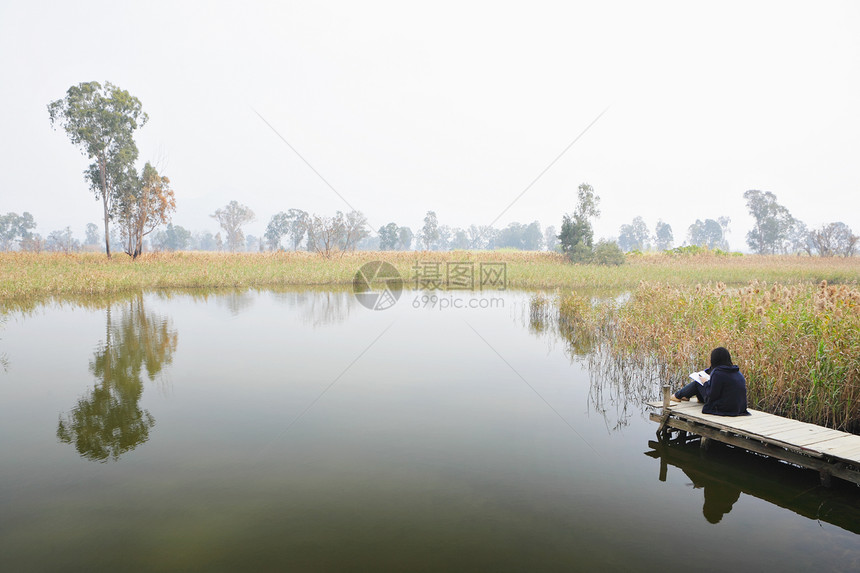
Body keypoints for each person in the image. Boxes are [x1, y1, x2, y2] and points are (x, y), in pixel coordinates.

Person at [671, 347, 750, 416]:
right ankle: (687, 396)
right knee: (705, 382)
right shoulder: (737, 372)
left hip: (724, 409)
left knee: (698, 383)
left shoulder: (718, 372)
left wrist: (705, 382)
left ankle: (677, 396)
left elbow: (712, 395)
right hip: (739, 408)